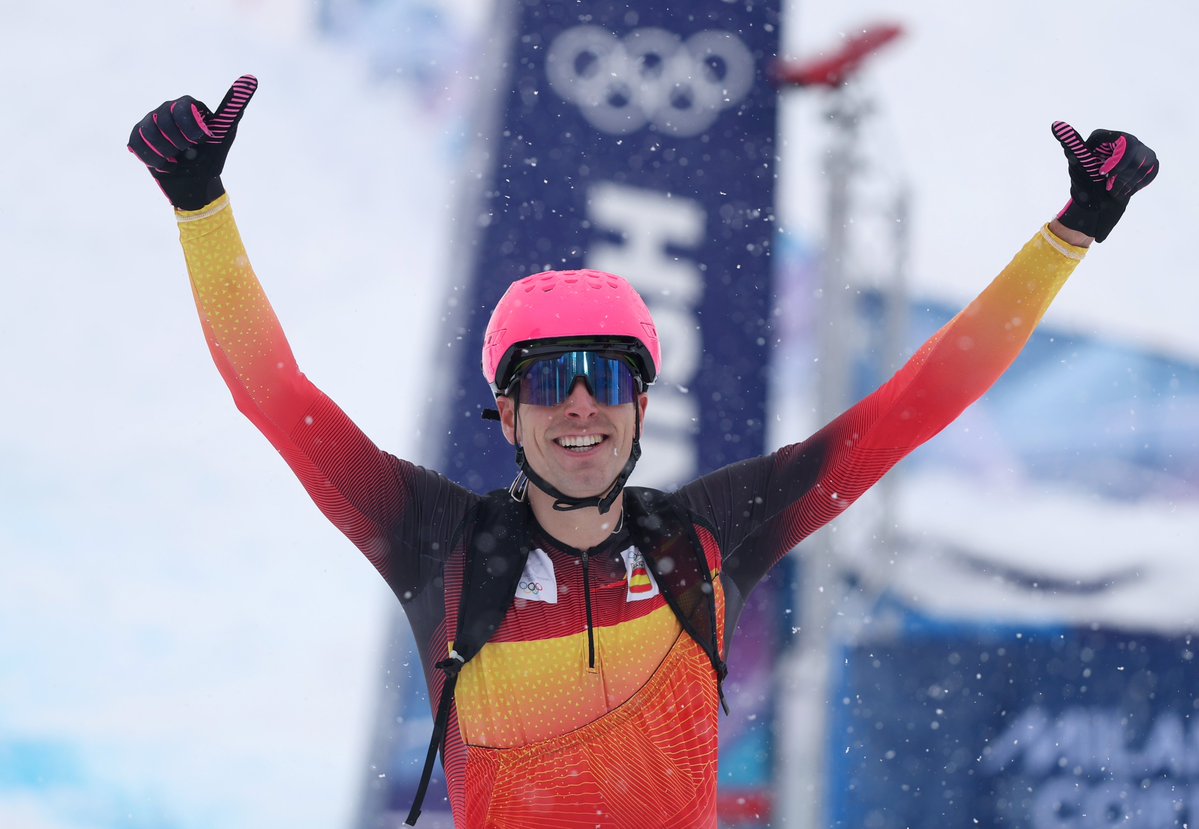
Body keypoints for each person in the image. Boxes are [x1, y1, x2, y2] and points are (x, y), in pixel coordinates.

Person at [128, 75, 1158, 828]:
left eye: (607, 378)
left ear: (640, 406)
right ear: (505, 412)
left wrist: (1072, 230)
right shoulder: (437, 541)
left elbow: (916, 404)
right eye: (549, 380)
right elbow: (272, 395)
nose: (580, 404)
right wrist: (200, 207)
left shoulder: (707, 534)